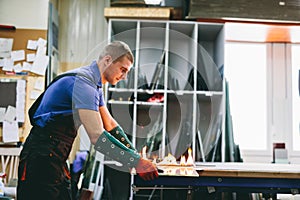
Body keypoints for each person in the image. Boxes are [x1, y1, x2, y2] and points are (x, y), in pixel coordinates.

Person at [17, 41, 158, 200]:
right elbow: (97, 137)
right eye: (122, 70)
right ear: (107, 60)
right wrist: (135, 162)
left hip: (55, 155)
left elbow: (110, 124)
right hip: (41, 157)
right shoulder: (83, 84)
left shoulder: (94, 84)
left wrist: (135, 155)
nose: (124, 76)